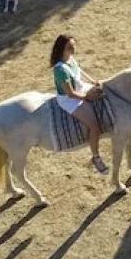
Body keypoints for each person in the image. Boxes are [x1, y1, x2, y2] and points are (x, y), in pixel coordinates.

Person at [50, 34, 108, 174]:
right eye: (69, 47)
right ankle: (96, 157)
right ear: (62, 49)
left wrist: (93, 81)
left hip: (81, 89)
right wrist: (87, 97)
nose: (73, 49)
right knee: (94, 126)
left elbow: (79, 71)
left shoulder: (70, 58)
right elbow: (70, 94)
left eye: (73, 45)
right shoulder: (60, 70)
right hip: (70, 101)